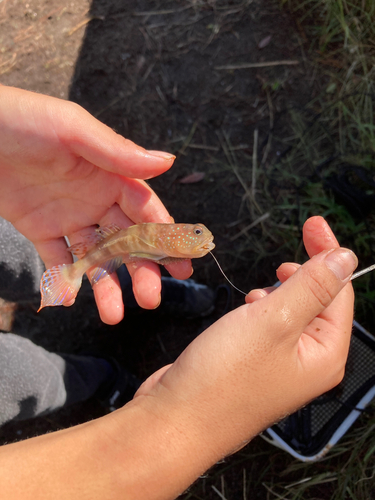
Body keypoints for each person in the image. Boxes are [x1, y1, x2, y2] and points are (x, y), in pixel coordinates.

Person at [0, 85, 357, 499]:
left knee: (42, 261)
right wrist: (177, 421)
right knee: (24, 372)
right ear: (179, 239)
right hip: (99, 250)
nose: (202, 239)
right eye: (195, 236)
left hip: (36, 220)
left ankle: (135, 313)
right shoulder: (165, 241)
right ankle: (106, 376)